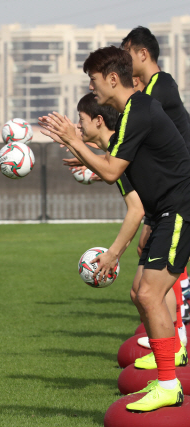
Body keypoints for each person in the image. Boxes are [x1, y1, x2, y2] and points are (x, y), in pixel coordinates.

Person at [40, 45, 190, 412]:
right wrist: (79, 146)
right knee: (141, 292)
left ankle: (169, 382)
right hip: (164, 214)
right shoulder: (130, 114)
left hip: (180, 209)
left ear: (111, 79)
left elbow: (110, 172)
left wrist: (76, 140)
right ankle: (167, 371)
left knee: (151, 295)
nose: (91, 88)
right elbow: (112, 157)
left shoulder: (138, 110)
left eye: (93, 81)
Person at [122, 26, 190, 352]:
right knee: (151, 283)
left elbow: (132, 130)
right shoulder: (150, 91)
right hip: (171, 194)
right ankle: (173, 343)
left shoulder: (159, 87)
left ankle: (177, 343)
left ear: (142, 54)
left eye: (125, 54)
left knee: (156, 284)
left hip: (182, 193)